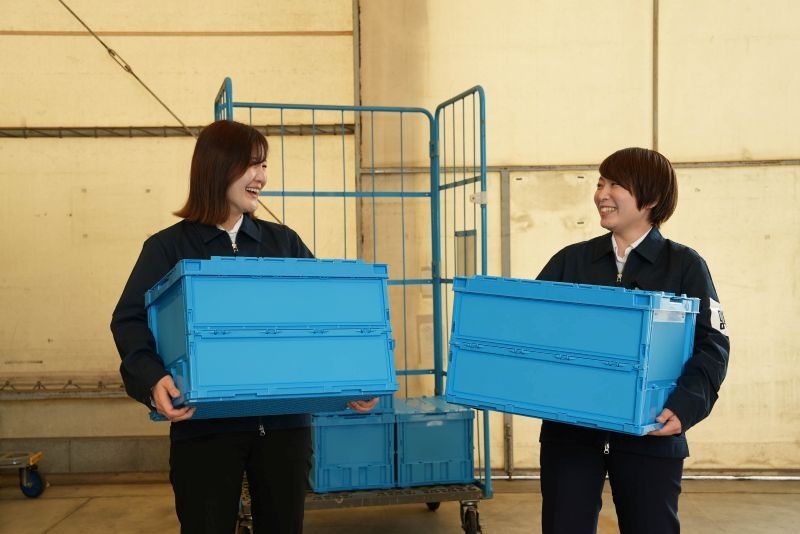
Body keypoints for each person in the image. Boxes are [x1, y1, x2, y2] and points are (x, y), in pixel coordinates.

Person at [110, 120, 377, 534]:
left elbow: (325, 317)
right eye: (252, 165)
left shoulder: (284, 243)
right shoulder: (167, 248)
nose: (262, 177)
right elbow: (128, 321)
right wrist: (152, 378)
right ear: (217, 167)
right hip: (203, 428)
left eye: (264, 165)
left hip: (284, 428)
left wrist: (355, 378)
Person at [536, 147, 730, 534]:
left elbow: (712, 345)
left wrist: (685, 407)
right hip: (571, 435)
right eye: (600, 184)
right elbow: (534, 331)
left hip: (652, 432)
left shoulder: (684, 265)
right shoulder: (570, 261)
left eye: (615, 185)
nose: (602, 194)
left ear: (651, 198)